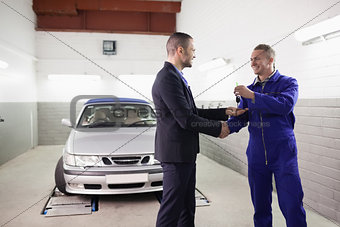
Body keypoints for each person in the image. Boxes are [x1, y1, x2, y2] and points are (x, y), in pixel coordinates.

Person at [152, 32, 246, 227]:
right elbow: (186, 119)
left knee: (187, 206)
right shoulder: (168, 78)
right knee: (171, 210)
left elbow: (192, 111)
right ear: (180, 50)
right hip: (176, 156)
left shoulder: (176, 77)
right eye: (193, 50)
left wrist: (224, 112)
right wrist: (219, 128)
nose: (195, 54)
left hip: (184, 155)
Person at [227, 44, 307, 227]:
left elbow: (285, 105)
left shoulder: (288, 83)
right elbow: (241, 118)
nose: (253, 62)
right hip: (256, 154)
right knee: (260, 207)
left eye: (257, 58)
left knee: (292, 204)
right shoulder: (248, 90)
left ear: (270, 60)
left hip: (283, 154)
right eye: (251, 59)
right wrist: (223, 126)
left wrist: (253, 95)